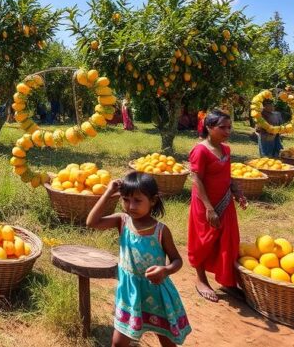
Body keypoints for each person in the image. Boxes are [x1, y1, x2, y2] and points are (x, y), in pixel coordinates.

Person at [87, 171, 190, 346]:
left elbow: (177, 260)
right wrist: (108, 193)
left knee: (166, 340)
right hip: (130, 292)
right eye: (125, 199)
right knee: (119, 343)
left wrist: (165, 270)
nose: (131, 206)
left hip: (156, 293)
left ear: (153, 200)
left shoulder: (161, 231)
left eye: (137, 200)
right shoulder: (122, 221)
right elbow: (92, 222)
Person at [188, 109, 248, 302]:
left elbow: (226, 175)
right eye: (222, 127)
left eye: (229, 127)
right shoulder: (200, 150)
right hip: (205, 204)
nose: (227, 131)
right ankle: (201, 279)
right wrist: (209, 208)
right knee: (202, 242)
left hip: (225, 202)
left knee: (228, 242)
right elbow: (196, 179)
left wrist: (237, 192)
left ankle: (227, 281)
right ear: (209, 127)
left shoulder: (226, 150)